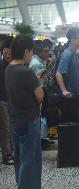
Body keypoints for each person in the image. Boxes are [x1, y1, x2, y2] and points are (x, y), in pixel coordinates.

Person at [5, 36, 44, 189]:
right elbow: (39, 96)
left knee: (20, 158)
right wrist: (36, 80)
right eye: (32, 52)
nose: (32, 55)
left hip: (15, 120)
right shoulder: (26, 72)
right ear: (26, 51)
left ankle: (20, 184)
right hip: (29, 120)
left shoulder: (9, 69)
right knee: (31, 160)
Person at [56, 27, 79, 122]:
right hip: (68, 96)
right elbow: (58, 73)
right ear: (72, 39)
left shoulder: (74, 54)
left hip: (74, 94)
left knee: (74, 124)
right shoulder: (67, 54)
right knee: (69, 125)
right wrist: (64, 91)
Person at [0, 37, 14, 165]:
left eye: (9, 54)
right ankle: (7, 154)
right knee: (5, 127)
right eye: (5, 54)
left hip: (14, 101)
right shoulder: (2, 65)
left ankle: (11, 151)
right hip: (3, 100)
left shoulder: (16, 64)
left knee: (11, 127)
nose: (7, 56)